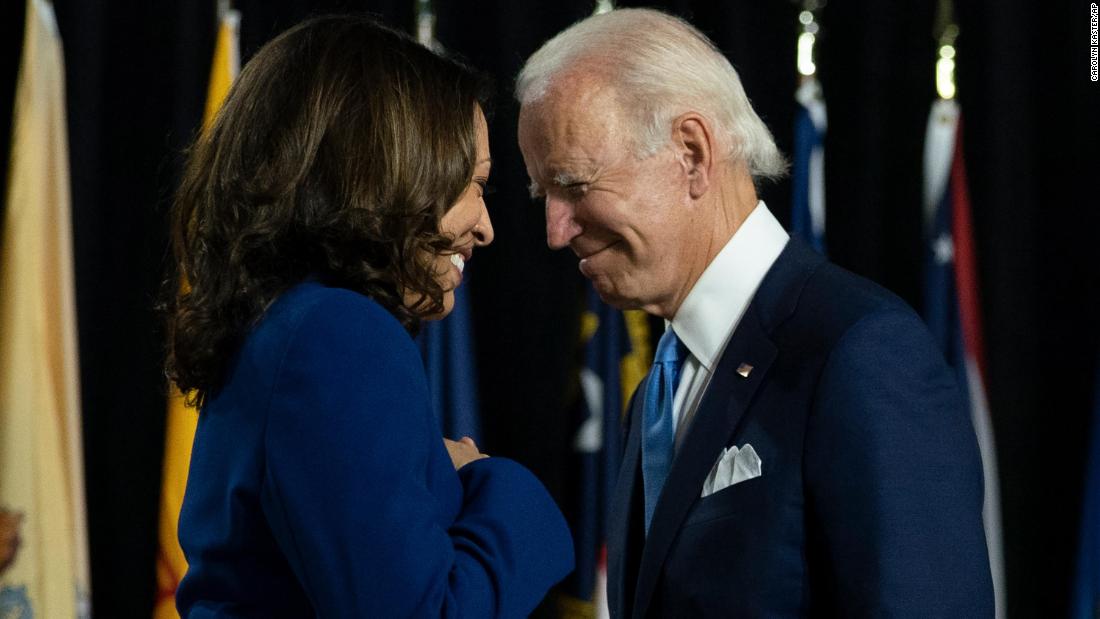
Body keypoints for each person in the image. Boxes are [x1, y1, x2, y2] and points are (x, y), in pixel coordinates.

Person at [516, 8, 993, 618]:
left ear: (691, 152)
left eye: (575, 186)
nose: (556, 232)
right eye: (544, 195)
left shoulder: (859, 353)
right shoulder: (655, 393)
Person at [164, 15, 573, 617]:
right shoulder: (336, 336)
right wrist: (491, 483)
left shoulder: (286, 323)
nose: (485, 227)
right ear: (389, 171)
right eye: (473, 184)